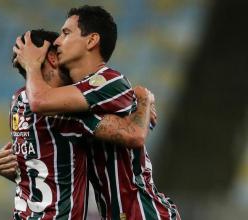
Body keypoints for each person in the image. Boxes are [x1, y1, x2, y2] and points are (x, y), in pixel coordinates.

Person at [14, 5, 180, 220]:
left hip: (144, 213)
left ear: (91, 41)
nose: (57, 41)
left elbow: (135, 135)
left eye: (66, 33)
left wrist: (32, 66)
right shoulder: (80, 99)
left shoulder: (107, 80)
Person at [0, 29, 155, 220]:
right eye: (60, 50)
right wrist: (142, 99)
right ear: (53, 59)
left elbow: (44, 171)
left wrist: (3, 167)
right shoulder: (66, 112)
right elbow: (134, 133)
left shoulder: (18, 102)